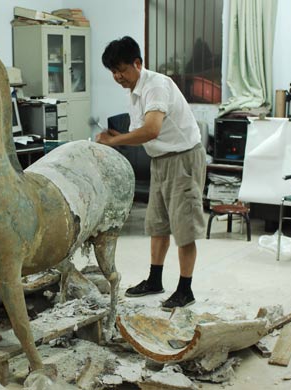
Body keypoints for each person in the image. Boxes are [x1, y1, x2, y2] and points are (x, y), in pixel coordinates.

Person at [97, 36, 206, 311]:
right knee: (158, 224)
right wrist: (119, 137)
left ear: (137, 63)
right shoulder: (133, 90)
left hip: (182, 159)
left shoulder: (155, 85)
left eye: (121, 69)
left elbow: (151, 130)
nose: (118, 76)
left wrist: (114, 141)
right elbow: (142, 132)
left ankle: (185, 289)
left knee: (184, 228)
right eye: (113, 72)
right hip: (160, 159)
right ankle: (155, 280)